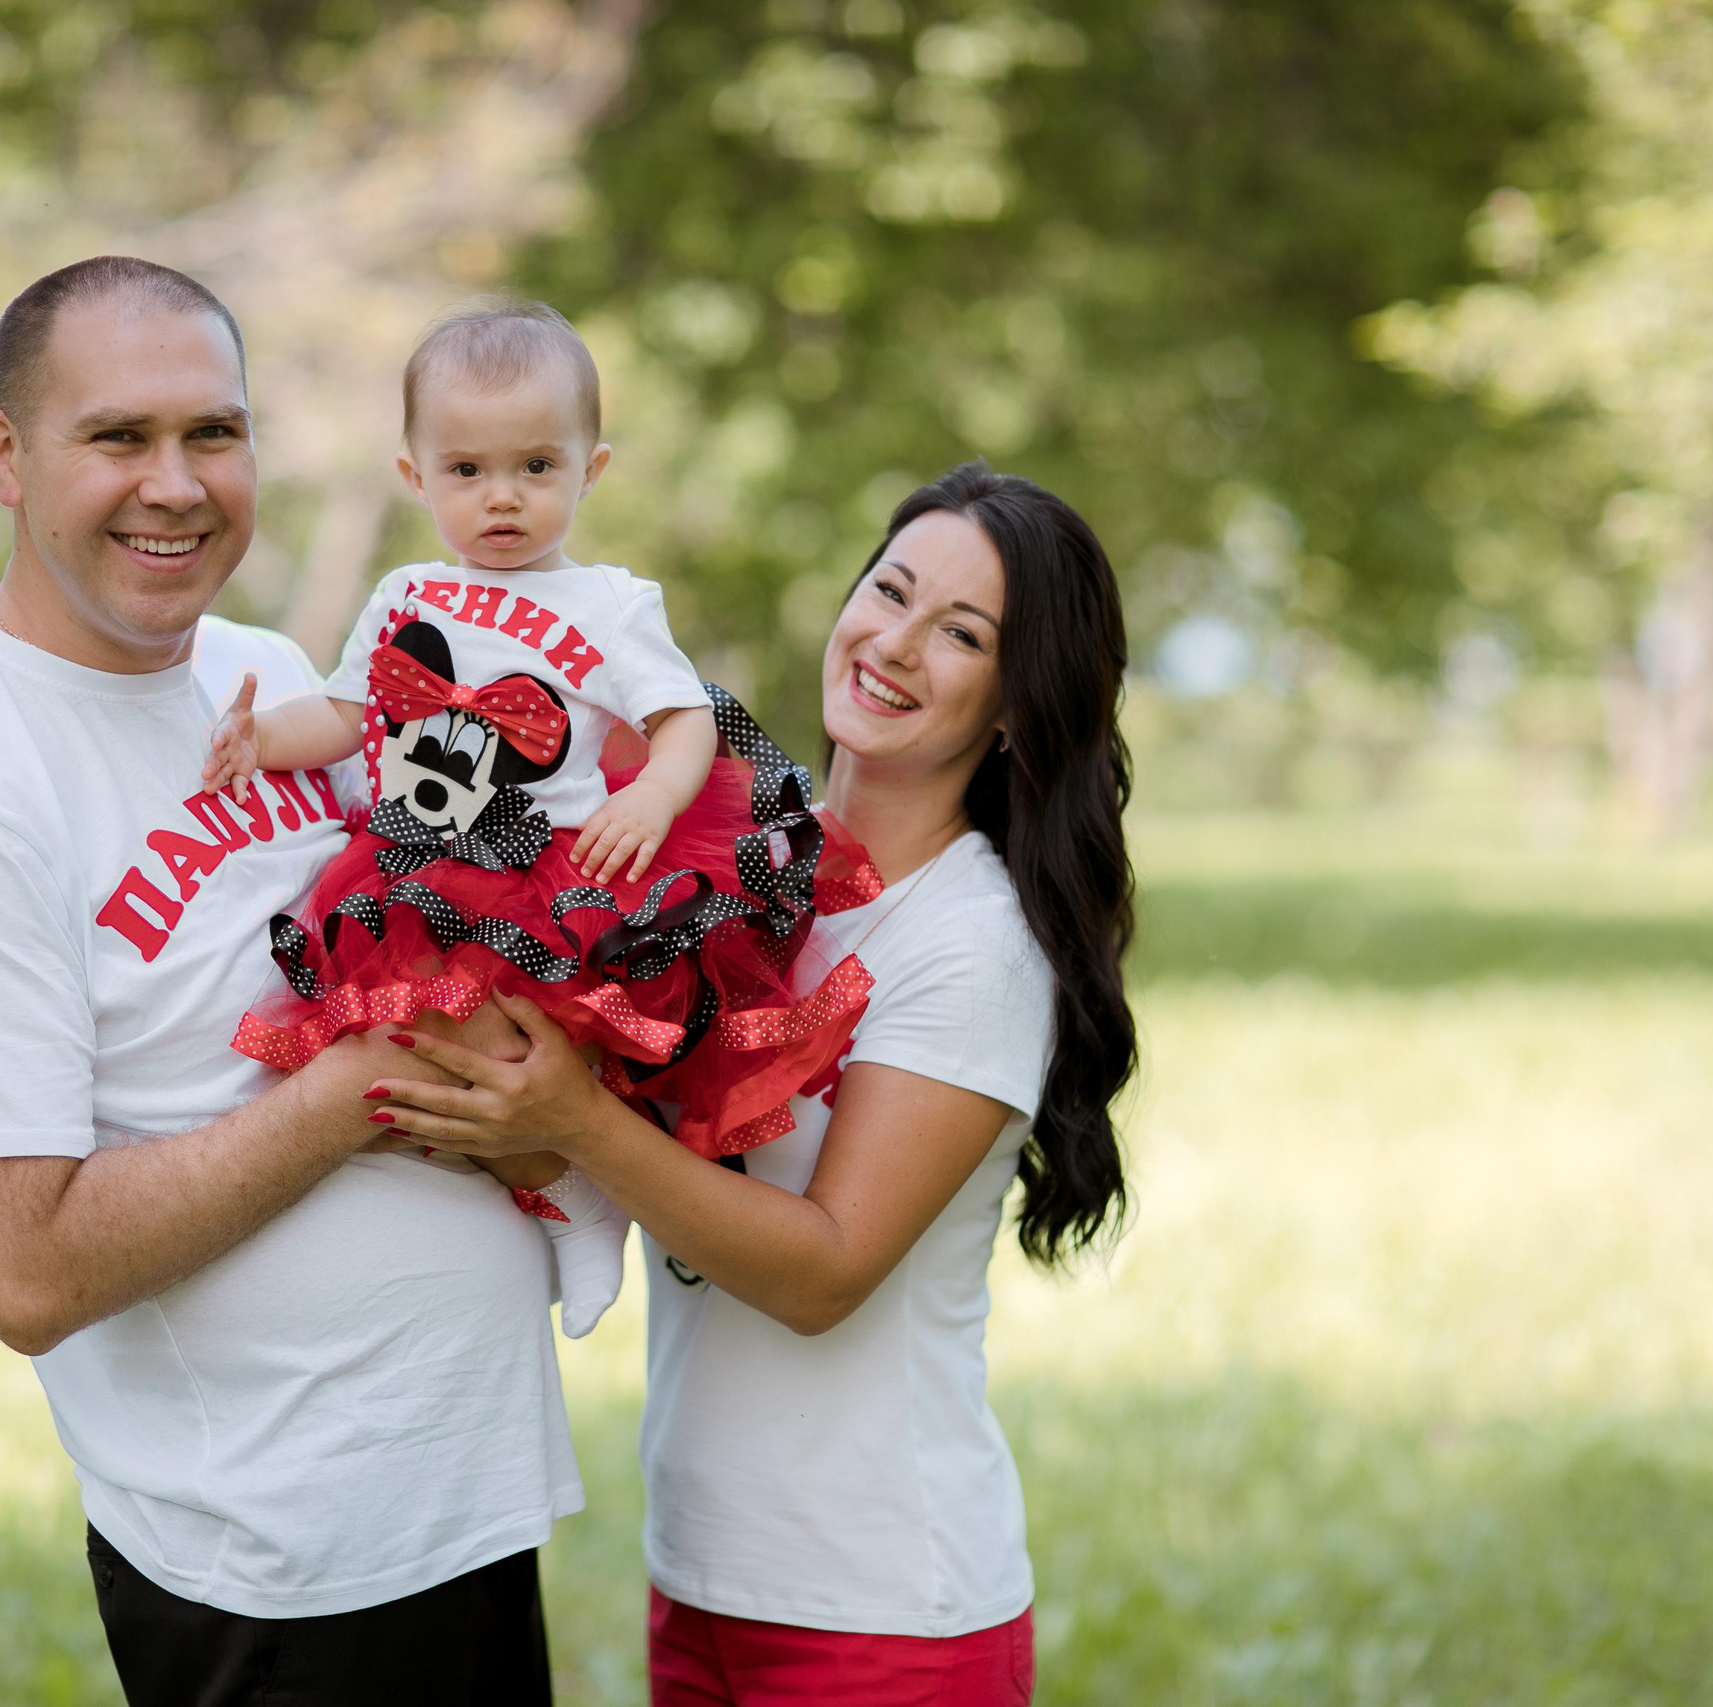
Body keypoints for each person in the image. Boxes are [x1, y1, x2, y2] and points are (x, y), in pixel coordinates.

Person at [0, 256, 580, 1707]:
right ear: (7, 455)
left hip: (455, 1506)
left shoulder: (259, 672)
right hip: (278, 1569)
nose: (175, 485)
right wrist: (353, 1093)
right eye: (119, 437)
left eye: (215, 434)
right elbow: (27, 1269)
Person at [366, 464, 1139, 1706]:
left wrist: (570, 1119)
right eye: (888, 591)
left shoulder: (969, 941)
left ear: (1014, 705)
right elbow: (632, 1142)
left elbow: (823, 1271)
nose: (892, 643)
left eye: (960, 635)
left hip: (884, 1613)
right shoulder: (734, 875)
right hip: (706, 1578)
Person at [205, 298, 876, 1336]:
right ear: (414, 475)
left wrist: (653, 791)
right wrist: (260, 743)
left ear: (589, 469)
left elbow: (684, 721)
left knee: (507, 1051)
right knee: (418, 1049)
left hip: (548, 868)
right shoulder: (405, 591)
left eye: (536, 467)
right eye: (466, 471)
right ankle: (545, 1186)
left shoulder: (610, 603)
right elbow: (345, 713)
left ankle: (581, 1190)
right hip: (415, 860)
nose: (501, 497)